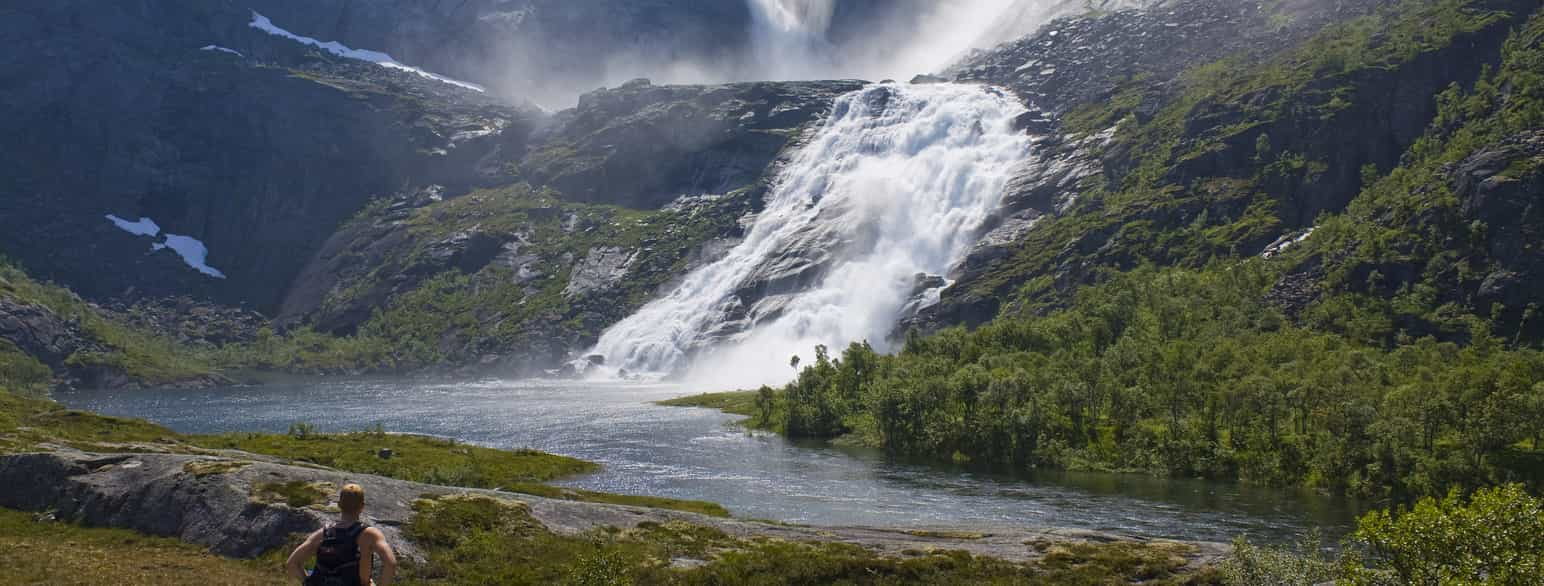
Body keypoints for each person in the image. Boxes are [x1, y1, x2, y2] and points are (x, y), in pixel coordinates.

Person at [286, 483, 398, 586]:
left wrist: (308, 583)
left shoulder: (322, 534)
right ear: (362, 506)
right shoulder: (370, 534)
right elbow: (390, 563)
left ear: (339, 505)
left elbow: (292, 563)